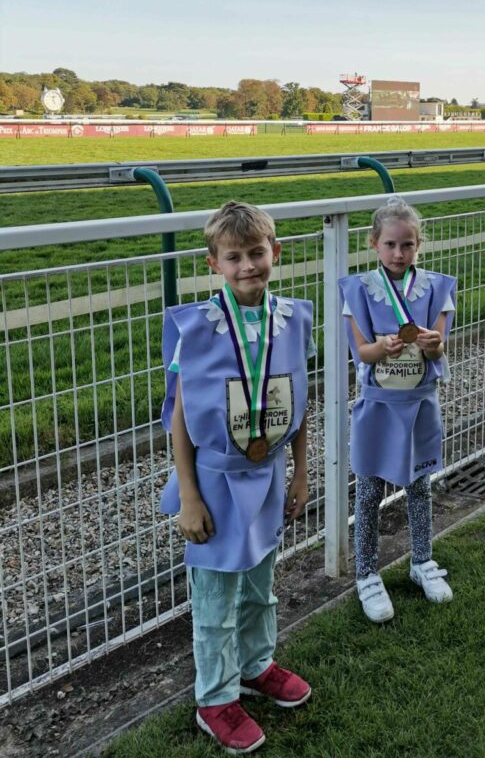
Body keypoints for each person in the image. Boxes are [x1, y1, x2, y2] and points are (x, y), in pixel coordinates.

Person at [159, 200, 313, 754]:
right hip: (217, 484)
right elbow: (178, 421)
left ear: (276, 252)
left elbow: (299, 400)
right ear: (213, 264)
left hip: (269, 478)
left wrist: (299, 473)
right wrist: (190, 498)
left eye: (256, 253)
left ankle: (256, 665)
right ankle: (215, 697)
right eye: (234, 257)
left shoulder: (294, 319)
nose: (248, 265)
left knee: (260, 586)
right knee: (216, 599)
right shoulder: (195, 330)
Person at [339, 196, 457, 623]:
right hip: (378, 407)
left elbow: (440, 346)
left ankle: (421, 560)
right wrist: (382, 347)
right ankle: (367, 573)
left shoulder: (437, 288)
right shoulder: (357, 291)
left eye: (407, 245)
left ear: (418, 245)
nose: (398, 253)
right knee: (369, 491)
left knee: (420, 485)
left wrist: (432, 343)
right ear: (374, 243)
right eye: (390, 244)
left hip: (420, 404)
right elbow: (363, 354)